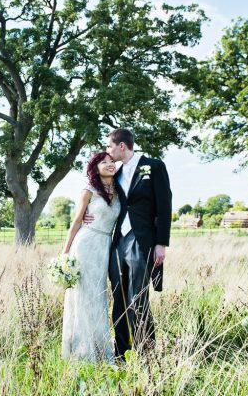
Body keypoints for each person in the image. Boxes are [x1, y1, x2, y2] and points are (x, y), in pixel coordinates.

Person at [86, 128, 172, 358]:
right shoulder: (116, 172)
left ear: (121, 146)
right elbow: (103, 199)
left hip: (142, 240)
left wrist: (161, 243)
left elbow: (165, 206)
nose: (108, 151)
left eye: (109, 146)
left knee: (138, 298)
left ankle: (147, 353)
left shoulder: (153, 166)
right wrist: (88, 212)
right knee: (119, 299)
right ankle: (121, 352)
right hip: (118, 242)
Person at [60, 152, 120, 362]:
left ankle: (100, 348)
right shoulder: (89, 190)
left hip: (105, 246)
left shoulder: (120, 189)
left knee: (99, 297)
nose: (110, 164)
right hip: (86, 244)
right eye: (104, 162)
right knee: (84, 296)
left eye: (112, 161)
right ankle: (82, 351)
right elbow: (76, 221)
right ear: (95, 168)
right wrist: (65, 253)